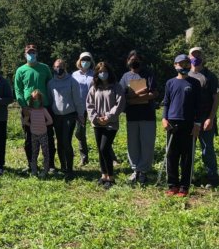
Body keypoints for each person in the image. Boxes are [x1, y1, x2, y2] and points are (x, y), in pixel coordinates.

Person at [161, 55, 201, 197]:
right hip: (172, 122)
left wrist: (197, 124)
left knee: (187, 156)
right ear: (175, 65)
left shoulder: (194, 83)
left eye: (186, 64)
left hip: (189, 123)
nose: (183, 67)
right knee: (172, 155)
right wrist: (164, 119)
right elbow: (166, 102)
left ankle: (184, 186)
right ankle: (173, 185)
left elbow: (199, 105)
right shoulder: (170, 83)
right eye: (181, 64)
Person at [14, 43, 57, 171]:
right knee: (29, 137)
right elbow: (18, 89)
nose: (31, 55)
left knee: (48, 136)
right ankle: (31, 164)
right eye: (29, 52)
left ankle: (50, 165)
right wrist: (23, 105)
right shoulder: (20, 70)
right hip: (28, 109)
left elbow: (51, 85)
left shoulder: (44, 68)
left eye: (33, 52)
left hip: (44, 108)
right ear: (25, 54)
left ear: (37, 54)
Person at [119, 50, 159, 185]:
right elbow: (122, 95)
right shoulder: (125, 77)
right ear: (128, 61)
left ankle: (143, 171)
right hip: (132, 116)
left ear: (140, 60)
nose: (134, 61)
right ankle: (135, 170)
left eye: (136, 59)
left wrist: (133, 97)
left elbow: (153, 93)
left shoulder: (148, 74)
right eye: (131, 58)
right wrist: (141, 93)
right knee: (133, 144)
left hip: (147, 115)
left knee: (147, 144)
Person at [86, 62, 126, 189]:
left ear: (109, 72)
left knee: (105, 148)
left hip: (111, 123)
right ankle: (103, 175)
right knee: (100, 149)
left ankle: (111, 177)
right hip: (97, 123)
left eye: (105, 71)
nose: (103, 74)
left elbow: (119, 104)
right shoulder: (94, 87)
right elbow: (89, 104)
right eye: (100, 71)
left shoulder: (116, 86)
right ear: (97, 73)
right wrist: (96, 118)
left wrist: (108, 117)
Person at [188, 47, 219, 189]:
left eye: (199, 54)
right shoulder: (185, 75)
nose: (196, 57)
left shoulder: (210, 76)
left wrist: (211, 118)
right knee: (188, 149)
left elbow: (216, 98)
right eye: (193, 55)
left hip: (205, 118)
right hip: (188, 120)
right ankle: (188, 176)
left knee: (207, 149)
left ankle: (212, 178)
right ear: (189, 57)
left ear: (203, 57)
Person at [48, 58, 84, 176]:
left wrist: (80, 114)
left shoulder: (72, 81)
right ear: (54, 68)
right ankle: (63, 167)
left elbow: (77, 99)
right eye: (57, 66)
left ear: (65, 67)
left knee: (66, 141)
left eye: (61, 66)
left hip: (69, 115)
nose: (59, 68)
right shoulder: (51, 83)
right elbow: (50, 99)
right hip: (56, 116)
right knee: (59, 142)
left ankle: (70, 169)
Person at [72, 51, 95, 167]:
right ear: (79, 61)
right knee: (80, 132)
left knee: (100, 131)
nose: (85, 62)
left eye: (88, 60)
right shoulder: (74, 75)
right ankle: (84, 157)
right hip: (79, 108)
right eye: (83, 60)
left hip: (93, 107)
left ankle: (110, 156)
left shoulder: (95, 74)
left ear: (91, 62)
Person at [22, 89, 53, 177]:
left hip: (43, 134)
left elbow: (50, 121)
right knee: (34, 153)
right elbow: (25, 122)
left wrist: (43, 125)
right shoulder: (30, 111)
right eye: (34, 99)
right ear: (31, 100)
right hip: (34, 135)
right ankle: (34, 170)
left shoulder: (44, 110)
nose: (36, 101)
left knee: (45, 152)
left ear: (41, 100)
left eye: (38, 99)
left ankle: (45, 170)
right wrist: (31, 124)